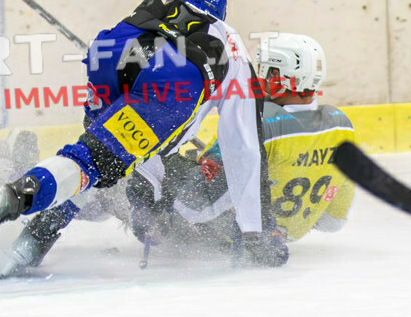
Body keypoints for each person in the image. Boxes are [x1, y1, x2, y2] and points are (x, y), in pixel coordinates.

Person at [0, 0, 287, 268]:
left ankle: (33, 236)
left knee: (93, 156)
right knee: (98, 160)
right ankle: (13, 195)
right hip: (177, 74)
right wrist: (256, 230)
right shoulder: (230, 43)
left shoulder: (152, 13)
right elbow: (244, 145)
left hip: (112, 47)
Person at [122, 32, 356, 256]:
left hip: (226, 237)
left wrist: (172, 168)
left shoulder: (258, 122)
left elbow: (193, 206)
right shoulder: (340, 125)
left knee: (128, 171)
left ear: (277, 76)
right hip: (282, 236)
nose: (257, 78)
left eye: (263, 71)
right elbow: (332, 222)